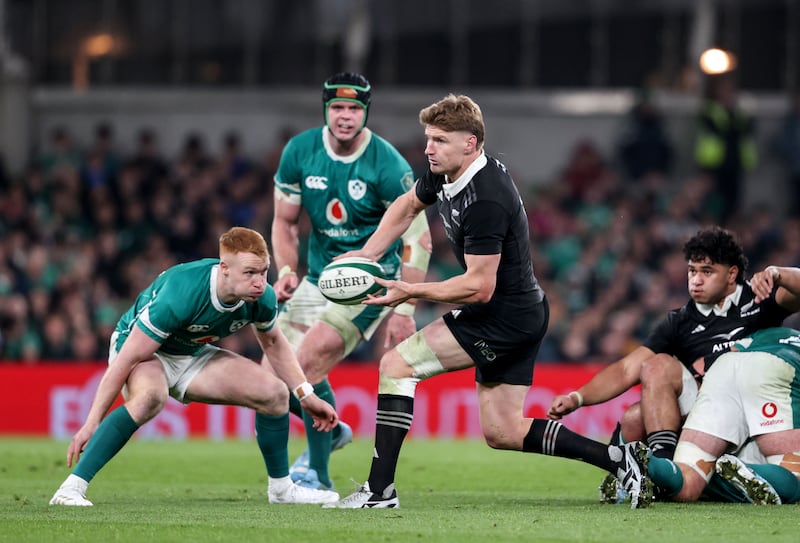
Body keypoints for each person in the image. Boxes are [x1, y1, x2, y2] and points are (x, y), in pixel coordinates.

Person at [325, 94, 653, 510]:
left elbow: (478, 287)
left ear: (471, 142)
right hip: (520, 312)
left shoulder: (486, 198)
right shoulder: (445, 173)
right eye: (429, 138)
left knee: (397, 366)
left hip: (501, 317)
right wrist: (368, 256)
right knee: (504, 432)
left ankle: (378, 491)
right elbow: (408, 205)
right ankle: (619, 459)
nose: (429, 148)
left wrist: (409, 290)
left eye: (440, 140)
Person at [49, 227, 341, 506]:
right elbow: (126, 359)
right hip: (144, 351)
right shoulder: (182, 292)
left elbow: (275, 344)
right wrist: (91, 421)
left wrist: (306, 395)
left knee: (275, 393)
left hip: (190, 352)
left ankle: (281, 489)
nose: (259, 282)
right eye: (250, 272)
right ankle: (71, 488)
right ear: (224, 268)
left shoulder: (261, 297)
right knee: (151, 397)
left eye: (264, 272)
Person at [548, 227, 800, 502]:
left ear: (731, 274)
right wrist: (578, 396)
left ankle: (665, 477)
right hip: (711, 405)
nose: (696, 280)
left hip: (755, 406)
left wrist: (778, 273)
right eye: (692, 271)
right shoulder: (679, 322)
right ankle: (662, 466)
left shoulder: (758, 297)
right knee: (642, 398)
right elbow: (626, 369)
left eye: (707, 271)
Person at [269, 72, 431, 491]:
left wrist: (405, 307)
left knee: (308, 360)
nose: (345, 116)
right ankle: (332, 429)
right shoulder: (299, 151)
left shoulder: (388, 164)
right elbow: (285, 223)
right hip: (317, 279)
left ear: (366, 112)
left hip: (370, 282)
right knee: (268, 381)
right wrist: (286, 271)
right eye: (338, 108)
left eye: (354, 108)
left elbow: (418, 237)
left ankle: (318, 476)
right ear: (325, 109)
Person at [646, 326, 800, 505]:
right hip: (775, 372)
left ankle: (646, 466)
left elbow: (701, 366)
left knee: (689, 477)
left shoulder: (773, 333)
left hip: (724, 366)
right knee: (794, 476)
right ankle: (742, 471)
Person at [693, 75, 757, 223]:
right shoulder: (711, 110)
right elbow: (720, 129)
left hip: (735, 163)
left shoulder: (740, 112)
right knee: (714, 199)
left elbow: (748, 128)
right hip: (714, 164)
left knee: (733, 199)